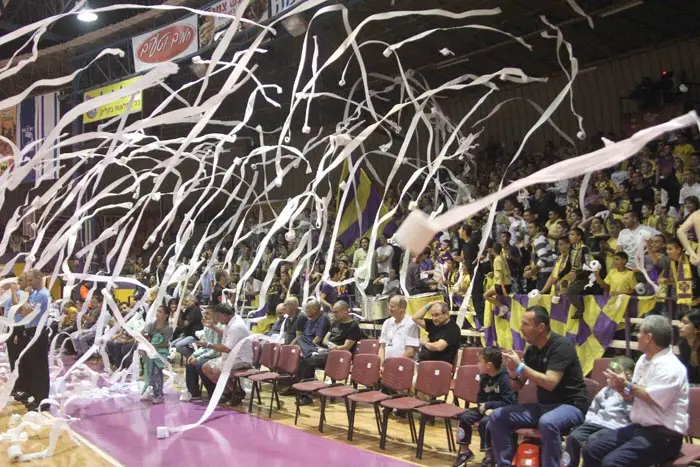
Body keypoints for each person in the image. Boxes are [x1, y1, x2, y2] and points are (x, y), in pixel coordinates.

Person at [583, 315, 689, 467]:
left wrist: (627, 385)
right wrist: (621, 388)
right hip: (640, 428)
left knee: (612, 463)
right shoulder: (643, 360)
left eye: (639, 332)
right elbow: (633, 395)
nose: (637, 336)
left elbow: (651, 397)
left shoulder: (671, 366)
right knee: (592, 448)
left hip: (665, 436)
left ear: (649, 338)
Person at [489, 305, 589, 467]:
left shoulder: (561, 346)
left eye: (525, 324)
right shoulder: (531, 351)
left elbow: (550, 383)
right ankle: (504, 464)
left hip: (571, 406)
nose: (521, 329)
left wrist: (521, 367)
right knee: (497, 416)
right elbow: (517, 386)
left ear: (541, 327)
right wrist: (512, 372)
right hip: (544, 407)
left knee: (548, 422)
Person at [562, 356, 635, 467]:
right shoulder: (606, 390)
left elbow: (633, 417)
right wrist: (589, 422)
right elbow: (593, 408)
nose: (610, 376)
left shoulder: (633, 393)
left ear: (628, 375)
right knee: (573, 438)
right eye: (609, 372)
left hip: (614, 427)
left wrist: (626, 398)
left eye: (615, 373)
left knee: (592, 442)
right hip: (595, 423)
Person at [453, 347, 517, 467]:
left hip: (501, 410)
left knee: (485, 422)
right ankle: (464, 451)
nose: (477, 364)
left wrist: (489, 406)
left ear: (489, 365)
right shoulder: (484, 377)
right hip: (485, 408)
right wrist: (483, 406)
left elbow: (509, 402)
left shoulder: (504, 378)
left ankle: (489, 456)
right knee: (464, 416)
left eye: (479, 361)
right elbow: (480, 398)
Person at [297, 301, 362, 406]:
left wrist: (335, 347)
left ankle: (306, 396)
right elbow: (324, 340)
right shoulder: (335, 323)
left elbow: (346, 347)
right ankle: (311, 353)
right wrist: (331, 345)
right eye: (333, 312)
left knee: (305, 361)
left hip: (338, 357)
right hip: (326, 351)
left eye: (336, 312)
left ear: (345, 311)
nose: (334, 315)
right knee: (301, 338)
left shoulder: (353, 326)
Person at [199, 303, 253, 405]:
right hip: (231, 357)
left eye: (218, 317)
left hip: (241, 360)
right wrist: (213, 327)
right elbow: (226, 335)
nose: (217, 319)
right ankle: (228, 392)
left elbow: (227, 348)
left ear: (225, 315)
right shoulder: (231, 321)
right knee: (205, 367)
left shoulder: (236, 326)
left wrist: (208, 345)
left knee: (216, 370)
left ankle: (237, 392)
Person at [14, 270, 51, 411]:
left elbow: (26, 312)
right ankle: (35, 396)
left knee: (40, 368)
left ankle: (43, 400)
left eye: (30, 280)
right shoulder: (35, 294)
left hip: (38, 331)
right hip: (30, 330)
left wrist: (25, 299)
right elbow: (19, 311)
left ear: (39, 278)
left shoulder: (43, 294)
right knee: (32, 366)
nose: (29, 283)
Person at [185, 307, 223, 400]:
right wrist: (194, 354)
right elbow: (204, 346)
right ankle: (194, 393)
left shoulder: (220, 328)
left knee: (199, 365)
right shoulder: (206, 327)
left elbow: (215, 351)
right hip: (209, 353)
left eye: (208, 314)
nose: (205, 315)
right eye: (205, 313)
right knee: (189, 362)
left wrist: (198, 359)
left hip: (218, 355)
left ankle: (213, 392)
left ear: (215, 315)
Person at [141, 304, 173, 404]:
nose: (157, 313)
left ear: (166, 315)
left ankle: (158, 394)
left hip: (161, 352)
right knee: (149, 371)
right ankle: (152, 389)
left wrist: (155, 346)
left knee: (157, 371)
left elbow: (165, 343)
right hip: (151, 350)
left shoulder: (168, 328)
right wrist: (146, 339)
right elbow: (142, 333)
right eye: (157, 311)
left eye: (160, 312)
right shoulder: (151, 324)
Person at [378, 295, 420, 362]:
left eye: (392, 306)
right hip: (387, 366)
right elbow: (382, 347)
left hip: (403, 365)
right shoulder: (387, 322)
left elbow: (410, 351)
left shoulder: (411, 323)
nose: (389, 308)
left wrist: (396, 364)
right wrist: (381, 364)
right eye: (389, 305)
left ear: (402, 308)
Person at [484, 243, 512, 317]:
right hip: (508, 282)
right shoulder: (502, 258)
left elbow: (501, 274)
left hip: (501, 284)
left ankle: (502, 307)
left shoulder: (497, 260)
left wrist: (503, 288)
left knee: (485, 295)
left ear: (493, 250)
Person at [171, 294, 202, 359]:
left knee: (178, 346)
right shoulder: (188, 310)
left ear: (193, 301)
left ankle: (193, 358)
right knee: (172, 345)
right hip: (186, 334)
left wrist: (180, 314)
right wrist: (179, 313)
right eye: (184, 301)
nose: (185, 303)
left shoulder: (195, 310)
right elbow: (180, 324)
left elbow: (184, 324)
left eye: (187, 301)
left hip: (193, 336)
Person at [677, 309, 700, 384]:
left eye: (685, 323)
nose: (679, 326)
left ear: (697, 328)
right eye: (680, 322)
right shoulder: (682, 345)